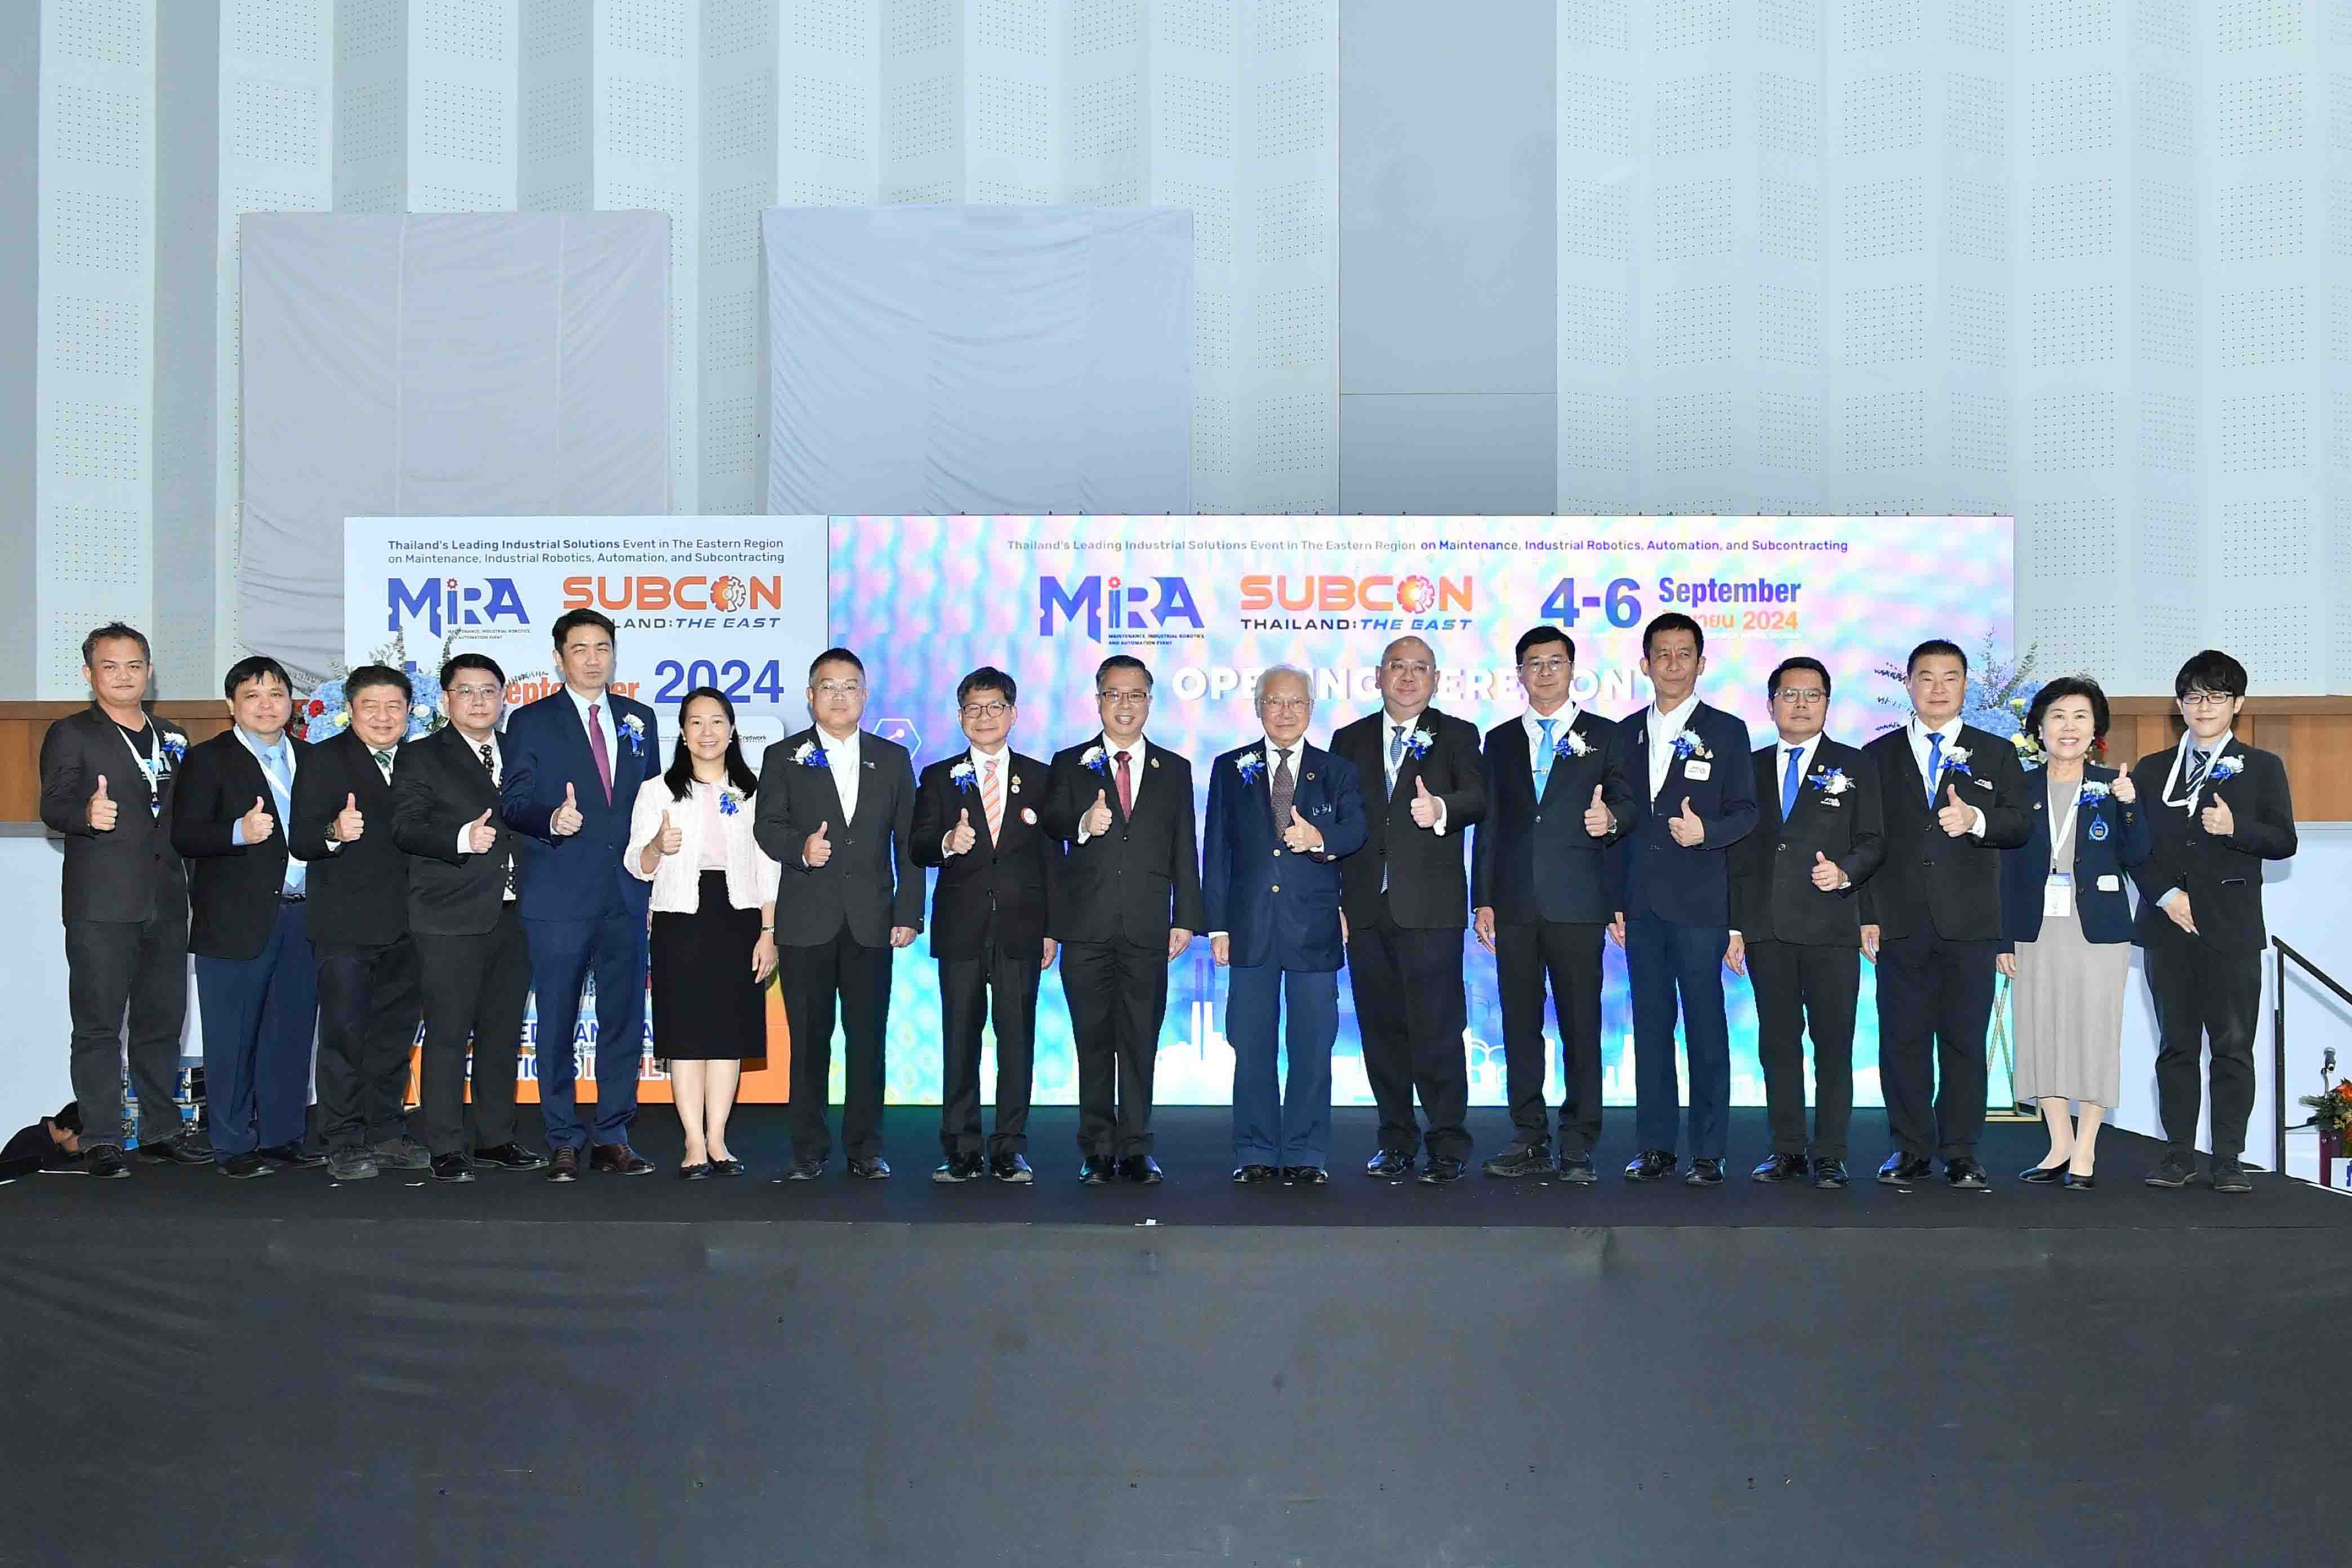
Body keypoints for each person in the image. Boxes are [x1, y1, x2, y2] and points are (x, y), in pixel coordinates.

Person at [1857, 639, 2033, 1190]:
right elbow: (1863, 839)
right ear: (1908, 684)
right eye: (1926, 677)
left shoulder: (1996, 752)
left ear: (1965, 686)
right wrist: (1865, 913)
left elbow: (2020, 826)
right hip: (1899, 921)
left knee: (1963, 1040)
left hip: (1971, 923)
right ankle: (1909, 1148)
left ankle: (1961, 1150)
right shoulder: (1876, 756)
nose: (1938, 688)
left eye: (1950, 677)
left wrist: (1977, 820)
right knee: (1902, 1041)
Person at [500, 609, 662, 1181]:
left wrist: (655, 884)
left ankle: (613, 1135)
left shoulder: (640, 719)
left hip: (627, 894)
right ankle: (563, 1139)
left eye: (602, 648)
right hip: (559, 894)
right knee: (557, 1021)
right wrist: (552, 819)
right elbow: (513, 804)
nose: (593, 659)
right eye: (580, 649)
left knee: (623, 1020)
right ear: (558, 658)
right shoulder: (531, 721)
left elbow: (653, 808)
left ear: (614, 654)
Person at [2127, 650, 2298, 1195]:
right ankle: (2177, 1153)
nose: (2204, 706)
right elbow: (2135, 848)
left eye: (2217, 696)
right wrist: (2166, 896)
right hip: (2167, 926)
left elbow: (2284, 841)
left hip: (2232, 928)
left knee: (2232, 1047)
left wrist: (2235, 828)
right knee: (2175, 1046)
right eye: (2194, 696)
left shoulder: (2262, 766)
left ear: (2238, 704)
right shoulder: (2152, 769)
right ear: (2180, 704)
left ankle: (2228, 1158)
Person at [37, 622, 202, 1176]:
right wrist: (85, 814)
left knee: (162, 1022)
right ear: (90, 674)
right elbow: (53, 805)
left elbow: (183, 821)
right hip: (101, 905)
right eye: (110, 666)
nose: (124, 676)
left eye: (134, 666)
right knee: (99, 1027)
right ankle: (102, 1138)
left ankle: (161, 1130)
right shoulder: (71, 732)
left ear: (149, 672)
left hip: (167, 902)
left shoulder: (173, 736)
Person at [1470, 627, 1633, 1183]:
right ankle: (1529, 1137)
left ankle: (1579, 1142)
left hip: (1578, 901)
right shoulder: (1499, 740)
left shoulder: (1606, 735)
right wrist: (1483, 899)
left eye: (1555, 662)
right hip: (1514, 904)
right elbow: (1490, 825)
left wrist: (1611, 820)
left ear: (1572, 670)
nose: (1545, 672)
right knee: (1519, 1025)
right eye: (1534, 663)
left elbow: (1629, 805)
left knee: (1581, 1025)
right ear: (1519, 673)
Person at [753, 648, 923, 1181]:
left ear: (865, 696)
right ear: (811, 696)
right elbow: (767, 826)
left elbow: (909, 843)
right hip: (806, 921)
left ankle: (865, 1149)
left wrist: (909, 912)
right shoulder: (783, 756)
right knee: (808, 1042)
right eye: (828, 687)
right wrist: (801, 849)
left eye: (850, 687)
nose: (839, 696)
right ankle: (808, 1151)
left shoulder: (892, 759)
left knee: (868, 1040)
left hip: (872, 921)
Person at [1607, 613, 1758, 1187]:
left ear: (1701, 662)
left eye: (1684, 653)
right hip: (1640, 904)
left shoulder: (1727, 731)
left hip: (1699, 903)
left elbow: (1746, 813)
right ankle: (1655, 1147)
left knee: (1705, 1028)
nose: (1673, 663)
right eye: (1662, 654)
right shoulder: (1623, 733)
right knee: (1649, 1027)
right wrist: (1615, 901)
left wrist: (1706, 833)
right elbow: (1618, 821)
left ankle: (1709, 1151)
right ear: (1645, 664)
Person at [1330, 637, 1487, 1184]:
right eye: (1398, 666)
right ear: (1379, 675)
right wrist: (1335, 898)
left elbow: (1479, 798)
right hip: (1364, 910)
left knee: (1438, 1031)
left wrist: (1441, 807)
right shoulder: (1348, 739)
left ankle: (1447, 1142)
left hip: (1430, 910)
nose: (1408, 677)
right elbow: (1335, 820)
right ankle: (1395, 1140)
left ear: (1436, 680)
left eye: (1421, 668)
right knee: (1381, 1031)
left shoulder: (1458, 735)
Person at [1043, 654, 1204, 1185]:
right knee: (1092, 1040)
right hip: (1085, 928)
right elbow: (1050, 829)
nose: (1125, 704)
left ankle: (1135, 1147)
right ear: (1098, 701)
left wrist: (1187, 917)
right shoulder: (1070, 763)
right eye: (1114, 694)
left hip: (1147, 926)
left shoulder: (1174, 769)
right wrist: (1082, 823)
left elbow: (1185, 847)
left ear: (1149, 702)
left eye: (1135, 695)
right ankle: (1096, 1147)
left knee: (1140, 1040)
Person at [1725, 657, 1884, 1190]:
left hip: (1831, 926)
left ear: (1827, 704)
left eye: (1812, 695)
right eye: (1789, 695)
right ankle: (1787, 1149)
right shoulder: (1747, 766)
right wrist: (1735, 927)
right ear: (1770, 704)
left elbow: (1874, 841)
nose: (1800, 704)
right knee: (1778, 1045)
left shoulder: (1855, 765)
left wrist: (1845, 873)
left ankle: (1831, 1153)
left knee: (1833, 1046)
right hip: (1765, 928)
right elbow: (1736, 855)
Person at [1205, 665, 1366, 1184]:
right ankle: (1254, 1149)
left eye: (1296, 702)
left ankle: (1305, 1152)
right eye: (1274, 701)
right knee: (1250, 1044)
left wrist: (1319, 840)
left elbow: (1356, 831)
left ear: (1311, 709)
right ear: (1259, 707)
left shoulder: (1337, 770)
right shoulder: (1230, 767)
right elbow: (1217, 851)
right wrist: (1217, 926)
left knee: (1313, 1046)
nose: (1285, 712)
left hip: (1314, 929)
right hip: (1249, 928)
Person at [390, 653, 545, 1182]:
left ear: (504, 697)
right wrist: (462, 838)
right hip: (449, 914)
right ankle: (446, 1144)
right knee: (449, 1032)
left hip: (518, 914)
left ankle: (497, 1138)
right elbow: (405, 828)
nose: (479, 701)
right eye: (466, 691)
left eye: (489, 691)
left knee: (503, 1031)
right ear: (446, 699)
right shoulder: (420, 755)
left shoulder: (522, 752)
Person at [172, 655, 327, 1179]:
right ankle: (233, 1144)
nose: (267, 706)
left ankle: (284, 1136)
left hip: (305, 918)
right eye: (253, 696)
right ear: (231, 705)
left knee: (292, 1034)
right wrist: (238, 831)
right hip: (234, 921)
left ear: (292, 703)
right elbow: (184, 834)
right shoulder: (207, 759)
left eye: (276, 694)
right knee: (232, 1040)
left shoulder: (313, 757)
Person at [1996, 678, 2151, 1190]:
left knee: (2094, 1033)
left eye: (2081, 716)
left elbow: (2139, 856)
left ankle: (2086, 1149)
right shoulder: (2018, 788)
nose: (2069, 727)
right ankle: (2059, 1143)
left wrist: (2130, 806)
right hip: (2034, 928)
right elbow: (2002, 868)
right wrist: (2001, 939)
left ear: (2095, 729)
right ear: (2039, 728)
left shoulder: (2115, 784)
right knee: (2041, 1030)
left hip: (2097, 930)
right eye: (2058, 716)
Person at [911, 667, 1061, 1184]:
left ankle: (1010, 1147)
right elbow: (916, 845)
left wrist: (1052, 929)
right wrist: (947, 843)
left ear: (1013, 714)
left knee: (1017, 1040)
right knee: (960, 1039)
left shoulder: (1041, 778)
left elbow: (1052, 859)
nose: (984, 716)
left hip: (1023, 928)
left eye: (995, 706)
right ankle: (961, 1147)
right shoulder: (938, 776)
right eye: (973, 708)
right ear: (960, 717)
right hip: (961, 928)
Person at [629, 687, 779, 1181]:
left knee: (728, 1037)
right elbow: (636, 864)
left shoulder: (753, 791)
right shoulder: (657, 790)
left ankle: (718, 1139)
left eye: (717, 722)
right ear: (683, 733)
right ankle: (693, 1141)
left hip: (739, 917)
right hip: (680, 919)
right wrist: (657, 845)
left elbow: (768, 867)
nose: (707, 732)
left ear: (732, 731)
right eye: (696, 722)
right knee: (687, 1036)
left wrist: (768, 930)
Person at [289, 664, 426, 1181]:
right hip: (345, 925)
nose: (383, 717)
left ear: (409, 711)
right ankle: (342, 1139)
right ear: (350, 710)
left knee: (393, 1036)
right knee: (344, 1037)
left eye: (394, 707)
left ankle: (387, 1130)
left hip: (409, 923)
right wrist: (334, 829)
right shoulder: (323, 759)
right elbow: (300, 837)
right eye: (371, 706)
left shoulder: (419, 759)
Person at [3, 1102, 84, 1182]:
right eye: (84, 1140)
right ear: (68, 1131)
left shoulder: (51, 1146)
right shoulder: (31, 1146)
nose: (84, 1147)